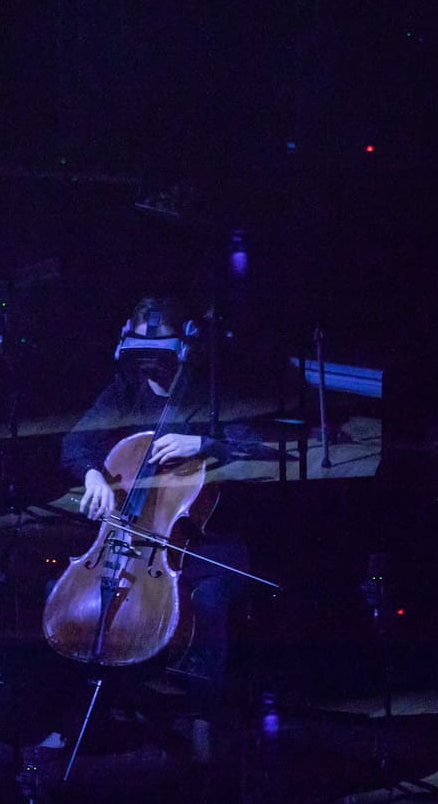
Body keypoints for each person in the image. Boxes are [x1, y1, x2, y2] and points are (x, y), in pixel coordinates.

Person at [42, 292, 269, 762]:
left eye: (158, 356)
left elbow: (260, 441)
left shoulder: (212, 387)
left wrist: (203, 443)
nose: (148, 367)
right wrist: (93, 474)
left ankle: (202, 718)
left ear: (184, 347)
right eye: (140, 356)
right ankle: (96, 716)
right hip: (132, 538)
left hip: (207, 541)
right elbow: (74, 443)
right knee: (66, 597)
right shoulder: (125, 388)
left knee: (208, 602)